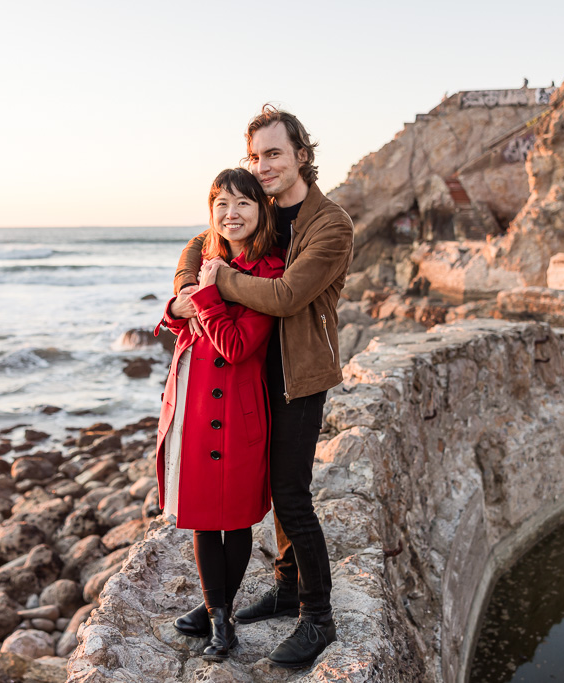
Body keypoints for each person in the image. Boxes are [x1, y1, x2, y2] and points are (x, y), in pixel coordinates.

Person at [171, 104, 354, 669]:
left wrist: (219, 281)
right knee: (261, 489)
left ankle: (317, 617)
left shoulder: (330, 223)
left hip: (298, 377)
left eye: (274, 154)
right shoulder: (262, 204)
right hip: (247, 371)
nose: (264, 165)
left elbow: (285, 297)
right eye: (256, 156)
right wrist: (185, 287)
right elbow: (200, 243)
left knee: (292, 496)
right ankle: (275, 589)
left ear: (302, 154)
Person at [154, 168, 285, 661]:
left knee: (236, 520)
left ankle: (220, 616)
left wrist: (207, 298)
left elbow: (233, 346)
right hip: (194, 404)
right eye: (222, 205)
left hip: (238, 410)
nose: (232, 215)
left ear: (260, 210)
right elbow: (177, 318)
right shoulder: (207, 259)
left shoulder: (271, 271)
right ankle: (217, 615)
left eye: (243, 204)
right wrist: (176, 306)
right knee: (203, 519)